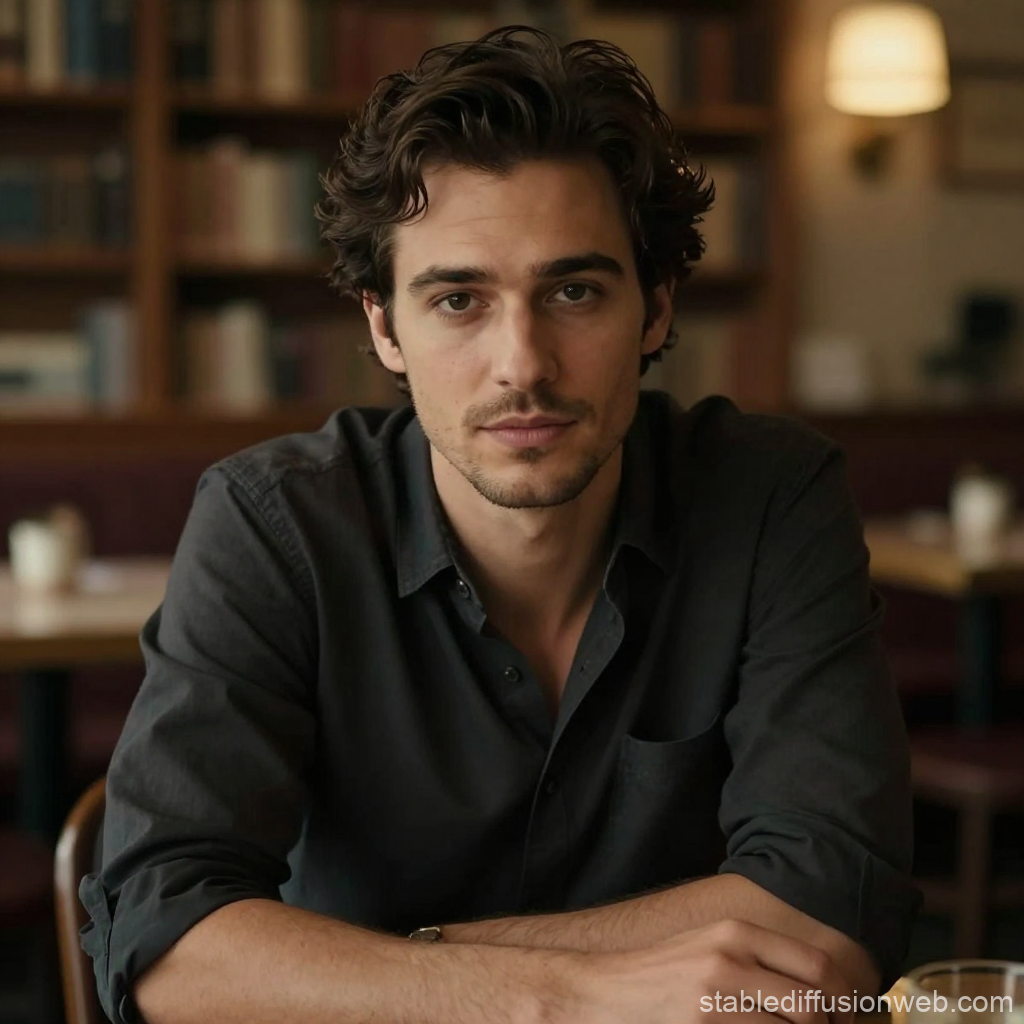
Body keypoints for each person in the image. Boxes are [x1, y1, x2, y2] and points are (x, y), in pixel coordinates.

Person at [81, 26, 918, 1024]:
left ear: (654, 309)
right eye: (458, 300)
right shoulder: (277, 524)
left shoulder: (771, 496)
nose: (521, 362)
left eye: (572, 291)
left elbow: (831, 912)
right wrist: (561, 993)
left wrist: (398, 965)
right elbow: (165, 942)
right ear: (384, 326)